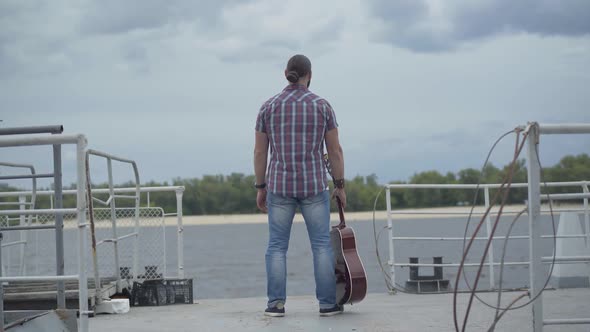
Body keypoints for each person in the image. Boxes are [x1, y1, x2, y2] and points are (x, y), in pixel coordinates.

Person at [253, 54, 347, 317]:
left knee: (276, 247)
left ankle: (275, 305)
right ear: (310, 75)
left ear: (286, 73)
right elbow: (335, 151)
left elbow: (260, 153)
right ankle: (328, 304)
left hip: (279, 187)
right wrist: (339, 186)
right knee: (321, 246)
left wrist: (261, 187)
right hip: (314, 186)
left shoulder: (268, 107)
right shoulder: (322, 106)